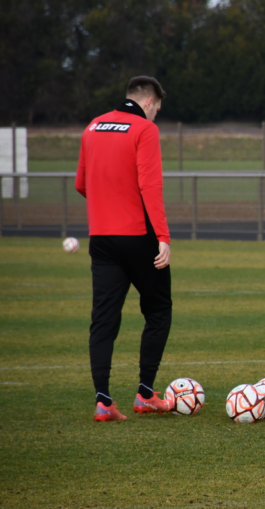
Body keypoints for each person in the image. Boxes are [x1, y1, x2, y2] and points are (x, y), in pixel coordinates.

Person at [75, 76, 175, 421]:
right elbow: (151, 185)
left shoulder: (93, 126)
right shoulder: (145, 130)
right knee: (159, 310)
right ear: (150, 102)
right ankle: (145, 393)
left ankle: (103, 400)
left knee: (103, 320)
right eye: (158, 109)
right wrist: (163, 237)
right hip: (138, 236)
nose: (156, 115)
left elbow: (81, 183)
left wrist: (108, 206)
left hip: (101, 239)